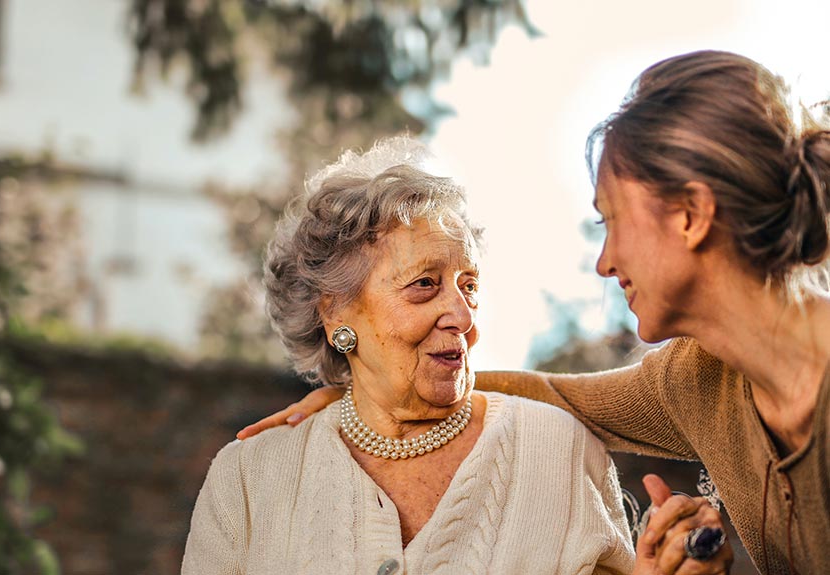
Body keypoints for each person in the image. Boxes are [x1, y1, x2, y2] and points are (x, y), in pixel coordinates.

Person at [238, 50, 830, 575]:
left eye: (611, 220)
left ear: (691, 216)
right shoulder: (697, 380)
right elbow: (556, 394)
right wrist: (374, 390)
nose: (605, 261)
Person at [181, 137, 731, 574]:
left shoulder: (555, 450)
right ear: (335, 313)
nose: (463, 317)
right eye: (424, 284)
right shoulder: (250, 479)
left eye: (468, 284)